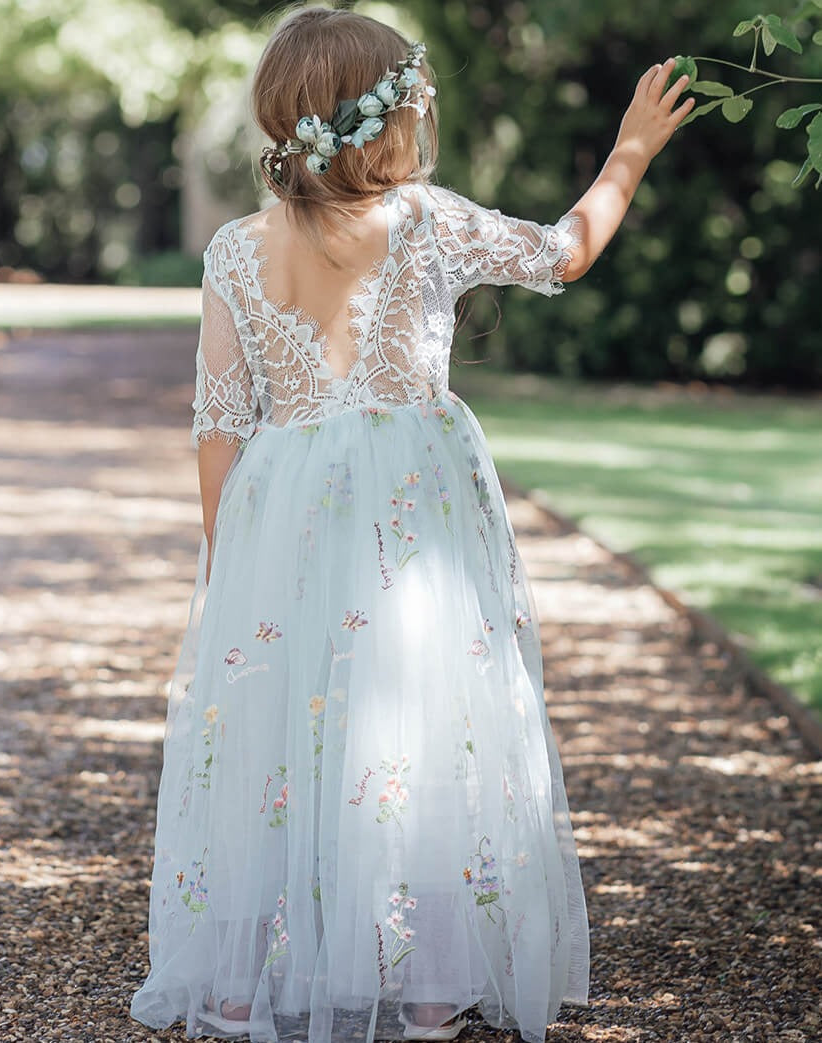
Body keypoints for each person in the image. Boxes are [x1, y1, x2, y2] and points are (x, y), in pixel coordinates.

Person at [130, 6, 693, 1042]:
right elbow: (563, 251)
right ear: (378, 124)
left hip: (284, 513)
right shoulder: (424, 221)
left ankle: (249, 982)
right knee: (425, 717)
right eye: (413, 104)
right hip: (412, 514)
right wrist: (627, 151)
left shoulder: (234, 249)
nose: (422, 121)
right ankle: (426, 981)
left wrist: (229, 568)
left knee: (284, 731)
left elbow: (218, 420)